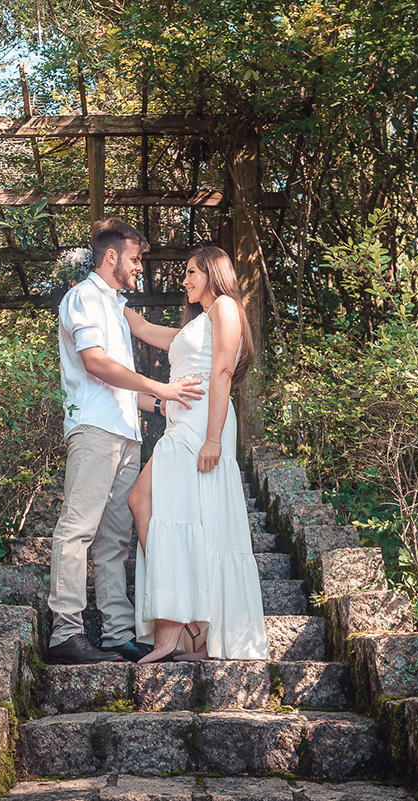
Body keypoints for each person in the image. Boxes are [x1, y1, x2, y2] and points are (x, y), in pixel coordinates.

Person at [45, 219, 206, 665]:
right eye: (135, 259)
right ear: (111, 256)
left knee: (115, 539)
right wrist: (162, 387)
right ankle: (65, 633)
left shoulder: (116, 309)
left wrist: (168, 407)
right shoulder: (82, 298)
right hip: (94, 431)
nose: (139, 269)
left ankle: (117, 633)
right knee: (77, 530)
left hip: (126, 434)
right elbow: (95, 364)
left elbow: (121, 387)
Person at [126, 246, 270, 663]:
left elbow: (222, 371)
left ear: (212, 272)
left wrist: (213, 439)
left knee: (147, 501)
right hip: (182, 424)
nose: (185, 280)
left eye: (191, 272)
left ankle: (178, 628)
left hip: (203, 425)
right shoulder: (197, 323)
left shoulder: (225, 306)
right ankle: (192, 628)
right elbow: (146, 329)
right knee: (173, 512)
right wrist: (110, 299)